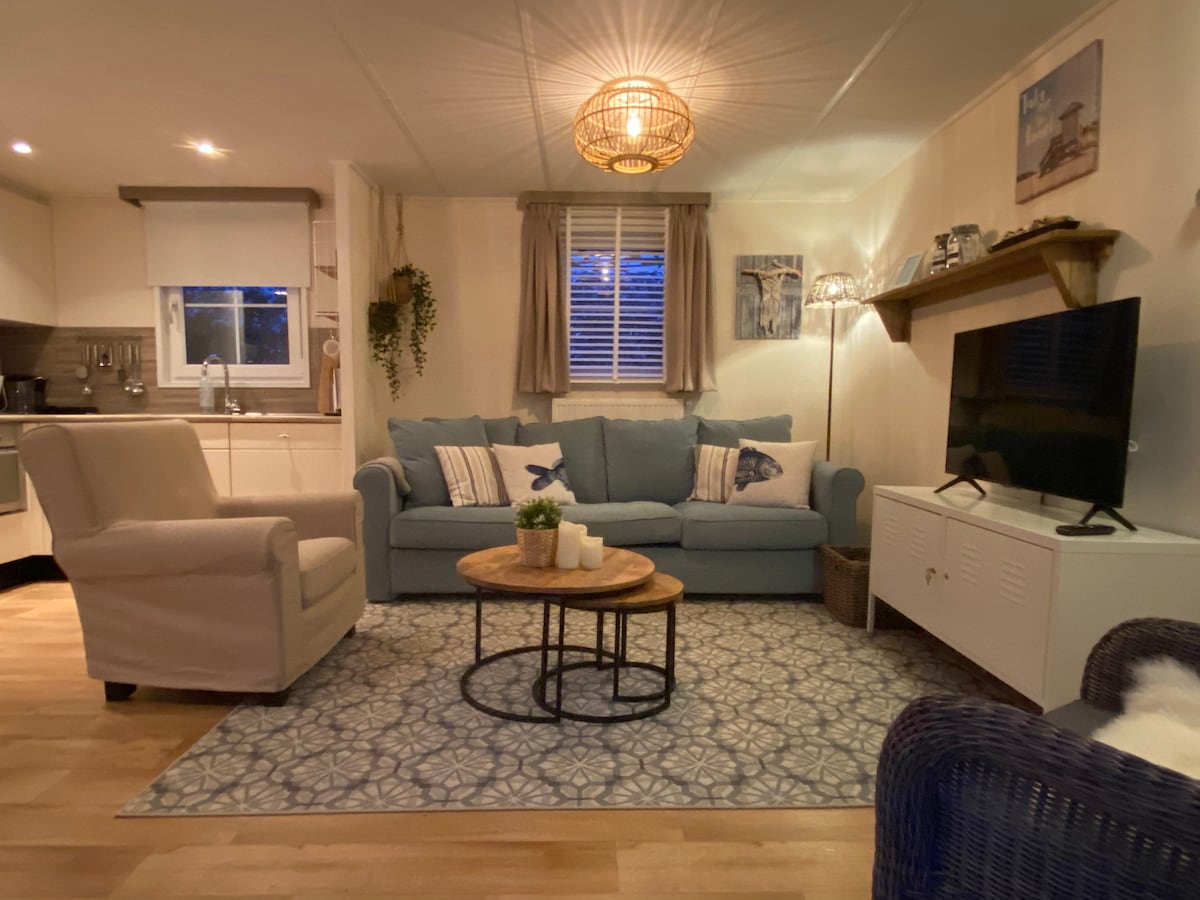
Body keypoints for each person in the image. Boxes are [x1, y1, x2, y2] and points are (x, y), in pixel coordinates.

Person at [741, 260, 802, 336]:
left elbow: (787, 270)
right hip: (770, 299)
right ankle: (770, 328)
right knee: (770, 313)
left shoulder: (762, 276)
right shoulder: (778, 277)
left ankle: (770, 328)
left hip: (770, 299)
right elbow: (787, 269)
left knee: (770, 313)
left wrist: (776, 264)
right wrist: (779, 265)